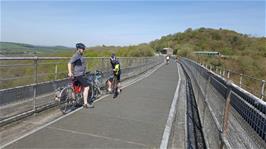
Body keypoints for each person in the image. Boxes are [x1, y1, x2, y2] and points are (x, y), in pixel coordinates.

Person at [68, 43, 94, 108]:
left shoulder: (80, 55)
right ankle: (85, 104)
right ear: (79, 49)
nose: (83, 50)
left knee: (76, 88)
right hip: (78, 75)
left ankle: (75, 102)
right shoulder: (76, 55)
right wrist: (70, 72)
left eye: (84, 49)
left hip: (80, 74)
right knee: (87, 87)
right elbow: (69, 63)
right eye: (82, 49)